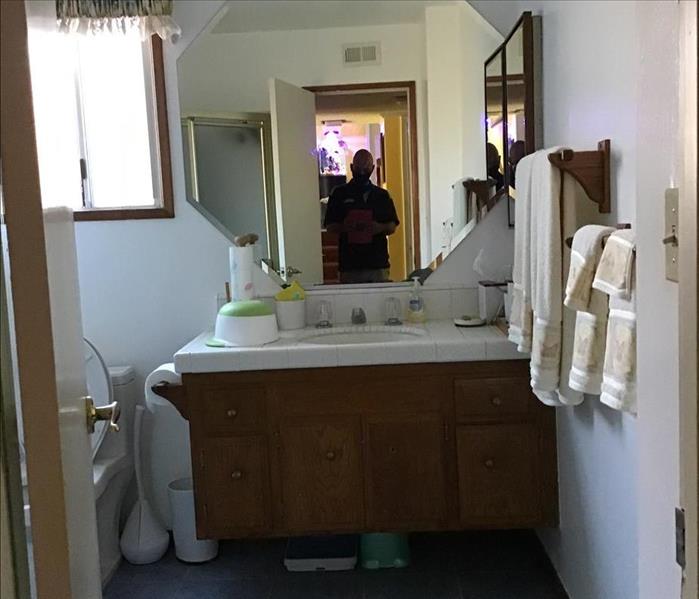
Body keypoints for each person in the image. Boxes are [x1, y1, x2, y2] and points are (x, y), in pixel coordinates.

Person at [324, 149, 399, 284]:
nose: (362, 172)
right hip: (350, 265)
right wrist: (346, 227)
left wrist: (378, 227)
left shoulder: (382, 196)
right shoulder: (339, 194)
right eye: (359, 168)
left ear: (372, 168)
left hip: (377, 264)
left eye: (366, 168)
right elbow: (330, 226)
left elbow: (392, 226)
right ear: (352, 167)